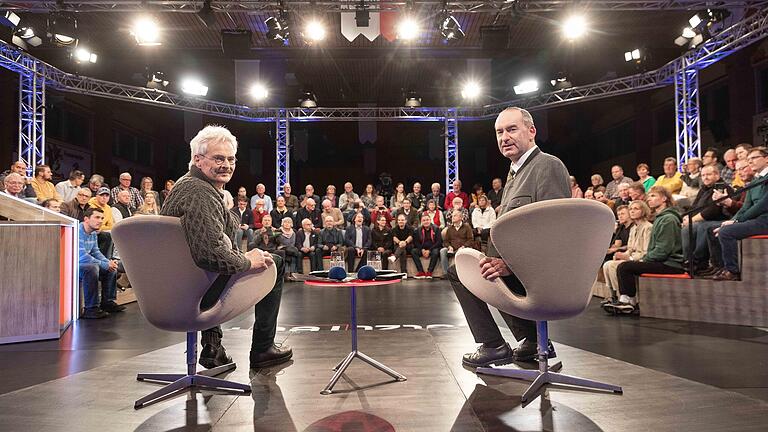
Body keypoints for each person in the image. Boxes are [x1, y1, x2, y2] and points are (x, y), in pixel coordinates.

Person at [160, 125, 291, 371]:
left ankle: (213, 347)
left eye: (231, 159)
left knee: (231, 262)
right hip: (194, 289)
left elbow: (217, 239)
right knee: (275, 261)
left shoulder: (190, 186)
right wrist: (247, 261)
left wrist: (222, 199)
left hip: (177, 284)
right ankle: (263, 349)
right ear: (198, 160)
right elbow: (211, 255)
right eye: (218, 158)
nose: (227, 165)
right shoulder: (199, 192)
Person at [448, 107, 571, 368]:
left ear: (531, 131)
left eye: (512, 129)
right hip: (514, 268)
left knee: (460, 271)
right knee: (471, 266)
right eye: (499, 132)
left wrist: (509, 265)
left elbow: (556, 232)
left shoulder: (546, 166)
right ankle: (532, 340)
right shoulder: (515, 172)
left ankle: (493, 346)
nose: (504, 137)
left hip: (532, 272)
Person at [605, 186, 685, 314]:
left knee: (625, 267)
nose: (649, 199)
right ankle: (626, 300)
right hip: (662, 260)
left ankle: (628, 301)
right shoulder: (661, 218)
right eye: (649, 196)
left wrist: (643, 259)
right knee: (622, 266)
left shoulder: (668, 219)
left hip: (670, 263)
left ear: (664, 199)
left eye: (653, 196)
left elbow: (663, 250)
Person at [711, 147, 768, 281]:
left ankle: (732, 271)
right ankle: (721, 267)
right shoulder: (754, 181)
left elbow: (763, 205)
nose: (751, 162)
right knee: (714, 229)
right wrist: (734, 219)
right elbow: (746, 206)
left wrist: (738, 221)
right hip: (757, 219)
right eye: (749, 160)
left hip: (765, 219)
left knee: (726, 232)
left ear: (766, 159)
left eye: (754, 158)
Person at [681, 165, 733, 273]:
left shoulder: (722, 188)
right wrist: (687, 217)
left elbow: (712, 211)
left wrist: (692, 220)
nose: (705, 177)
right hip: (703, 220)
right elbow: (694, 207)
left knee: (702, 227)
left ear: (717, 175)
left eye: (708, 174)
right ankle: (688, 261)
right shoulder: (703, 189)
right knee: (687, 229)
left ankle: (699, 261)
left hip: (719, 219)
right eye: (703, 175)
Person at [601, 200, 653, 303]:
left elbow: (646, 251)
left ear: (643, 211)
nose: (632, 211)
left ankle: (625, 297)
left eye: (636, 209)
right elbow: (630, 248)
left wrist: (629, 258)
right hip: (632, 257)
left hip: (641, 259)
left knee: (614, 266)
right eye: (631, 209)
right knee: (607, 264)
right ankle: (614, 295)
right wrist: (622, 255)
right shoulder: (634, 228)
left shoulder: (648, 227)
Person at [78, 207, 122, 319]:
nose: (100, 221)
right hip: (73, 264)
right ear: (86, 219)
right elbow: (81, 256)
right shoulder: (77, 230)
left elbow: (95, 252)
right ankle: (91, 308)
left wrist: (108, 262)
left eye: (102, 218)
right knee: (92, 268)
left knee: (111, 269)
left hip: (85, 262)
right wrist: (104, 264)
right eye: (97, 217)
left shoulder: (92, 233)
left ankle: (107, 302)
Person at [411, 213, 442, 278]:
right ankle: (421, 272)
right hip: (422, 249)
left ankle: (429, 272)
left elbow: (439, 242)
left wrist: (429, 250)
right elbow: (416, 242)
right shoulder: (418, 230)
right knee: (413, 251)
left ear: (430, 220)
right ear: (421, 222)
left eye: (427, 220)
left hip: (433, 248)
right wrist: (422, 250)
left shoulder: (436, 229)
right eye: (424, 220)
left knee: (436, 252)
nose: (426, 222)